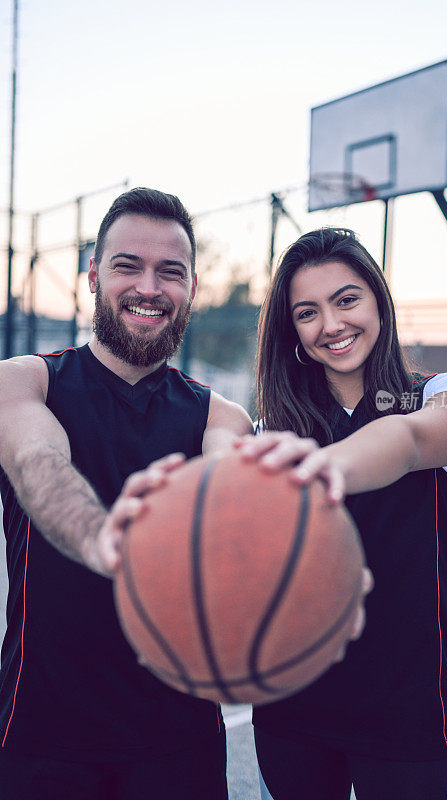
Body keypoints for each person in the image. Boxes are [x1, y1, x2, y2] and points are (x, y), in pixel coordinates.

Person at [0, 187, 252, 799]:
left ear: (192, 289)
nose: (149, 287)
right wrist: (110, 543)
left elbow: (223, 485)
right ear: (93, 276)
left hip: (179, 742)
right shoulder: (25, 382)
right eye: (127, 266)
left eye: (171, 272)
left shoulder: (223, 417)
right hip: (42, 735)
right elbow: (39, 462)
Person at [236, 227, 447, 800]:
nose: (331, 324)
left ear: (378, 300)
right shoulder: (270, 429)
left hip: (406, 715)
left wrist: (316, 473)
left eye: (346, 299)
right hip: (291, 707)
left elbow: (405, 441)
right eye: (307, 312)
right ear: (292, 332)